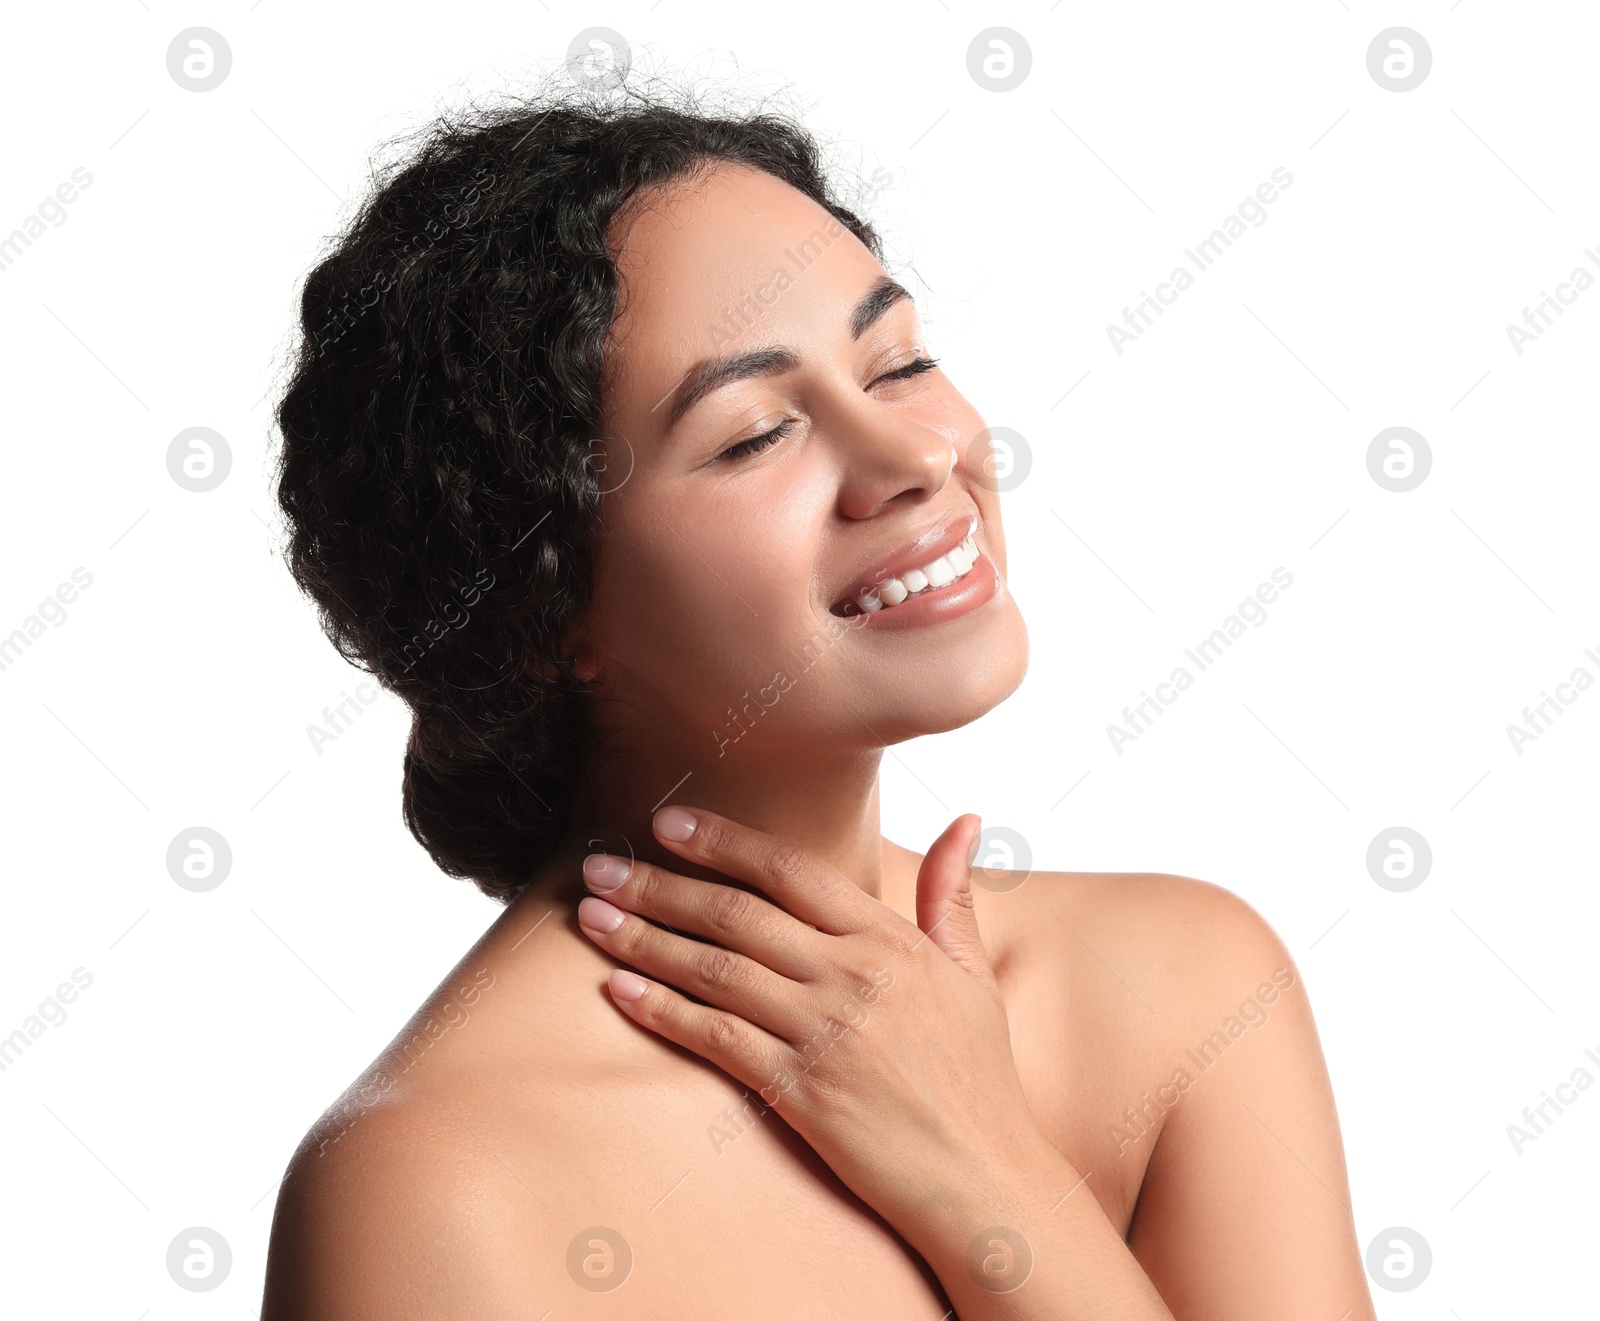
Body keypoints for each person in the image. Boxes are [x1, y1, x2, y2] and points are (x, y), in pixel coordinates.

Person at [262, 74, 1376, 1319]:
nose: (914, 458)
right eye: (752, 434)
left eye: (897, 362)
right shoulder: (435, 1189)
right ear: (542, 608)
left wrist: (992, 1180)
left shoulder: (1185, 989)